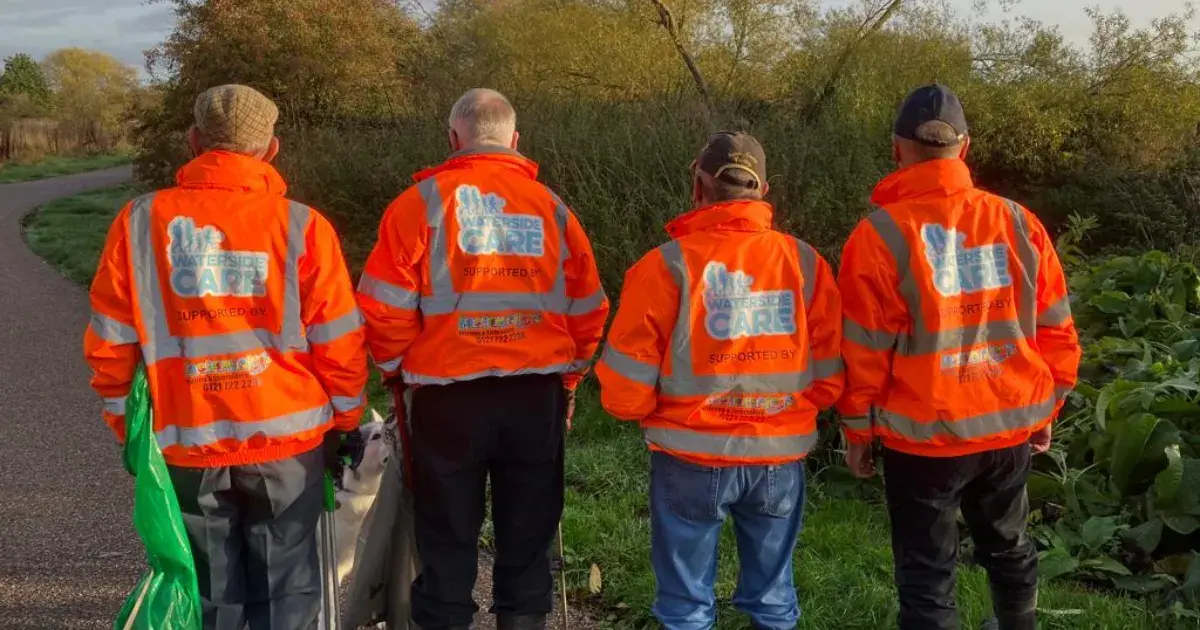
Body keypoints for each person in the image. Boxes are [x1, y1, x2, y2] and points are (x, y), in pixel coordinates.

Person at [84, 84, 369, 630]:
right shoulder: (304, 226)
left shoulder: (140, 222)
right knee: (287, 590)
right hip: (288, 446)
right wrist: (347, 421)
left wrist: (129, 430)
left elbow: (110, 341)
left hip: (186, 441)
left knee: (212, 593)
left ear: (194, 142)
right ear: (271, 150)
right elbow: (339, 341)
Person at [355, 88, 609, 630]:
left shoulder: (418, 205)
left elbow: (382, 306)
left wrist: (397, 368)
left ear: (453, 139)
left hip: (446, 400)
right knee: (530, 533)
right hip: (533, 396)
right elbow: (588, 308)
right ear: (515, 141)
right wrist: (571, 377)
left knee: (445, 540)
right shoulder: (553, 210)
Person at [836, 84, 1082, 630]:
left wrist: (857, 432)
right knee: (1010, 545)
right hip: (1008, 428)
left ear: (897, 149)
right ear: (964, 149)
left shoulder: (877, 236)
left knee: (927, 572)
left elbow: (864, 352)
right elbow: (1056, 329)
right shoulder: (1020, 222)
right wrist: (1048, 410)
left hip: (923, 439)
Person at [596, 131, 843, 630]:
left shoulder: (664, 265)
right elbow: (829, 372)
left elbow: (625, 383)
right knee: (773, 598)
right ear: (763, 191)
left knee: (686, 606)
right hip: (778, 456)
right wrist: (788, 411)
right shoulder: (805, 263)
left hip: (689, 457)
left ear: (698, 186)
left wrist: (647, 411)